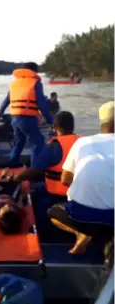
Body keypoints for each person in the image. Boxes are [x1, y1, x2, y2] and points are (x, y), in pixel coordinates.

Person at [48, 101, 114, 254]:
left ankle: (81, 233)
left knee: (53, 212)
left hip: (82, 216)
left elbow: (65, 179)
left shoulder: (82, 142)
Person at [8, 112, 80, 203]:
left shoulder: (53, 147)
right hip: (80, 195)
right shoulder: (84, 142)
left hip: (57, 197)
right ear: (73, 126)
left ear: (54, 126)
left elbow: (33, 171)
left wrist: (14, 178)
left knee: (35, 191)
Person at [0, 62, 54, 166]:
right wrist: (51, 121)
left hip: (14, 118)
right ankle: (34, 171)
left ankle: (12, 165)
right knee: (37, 143)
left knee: (19, 143)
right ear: (34, 71)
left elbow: (6, 100)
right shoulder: (35, 82)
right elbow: (42, 104)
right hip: (27, 119)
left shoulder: (15, 83)